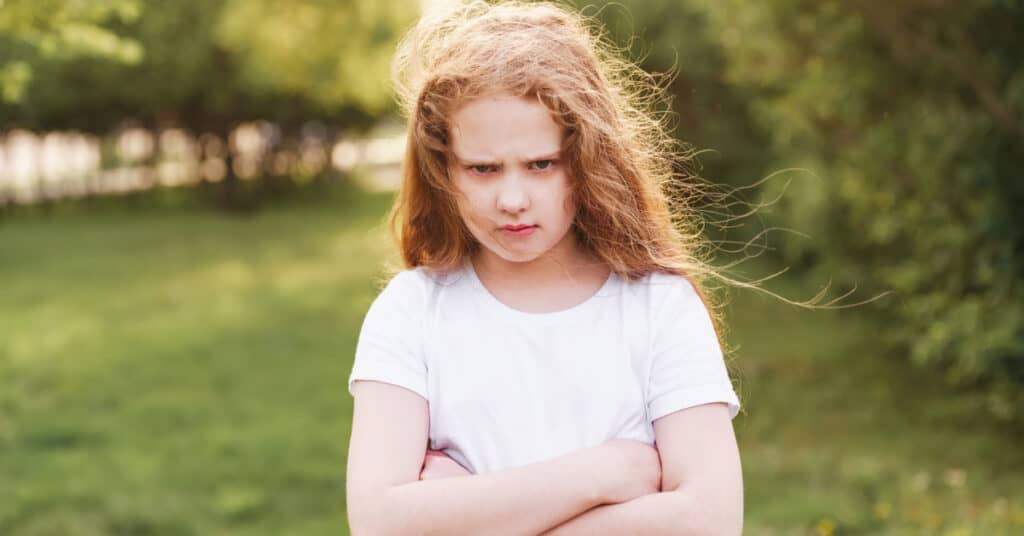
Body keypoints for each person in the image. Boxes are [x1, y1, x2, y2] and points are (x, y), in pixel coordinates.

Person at [346, 1, 743, 534]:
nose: (513, 198)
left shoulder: (659, 307)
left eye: (541, 164)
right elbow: (378, 524)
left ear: (586, 160)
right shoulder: (412, 313)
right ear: (444, 169)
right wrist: (604, 473)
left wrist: (463, 511)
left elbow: (711, 520)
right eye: (483, 169)